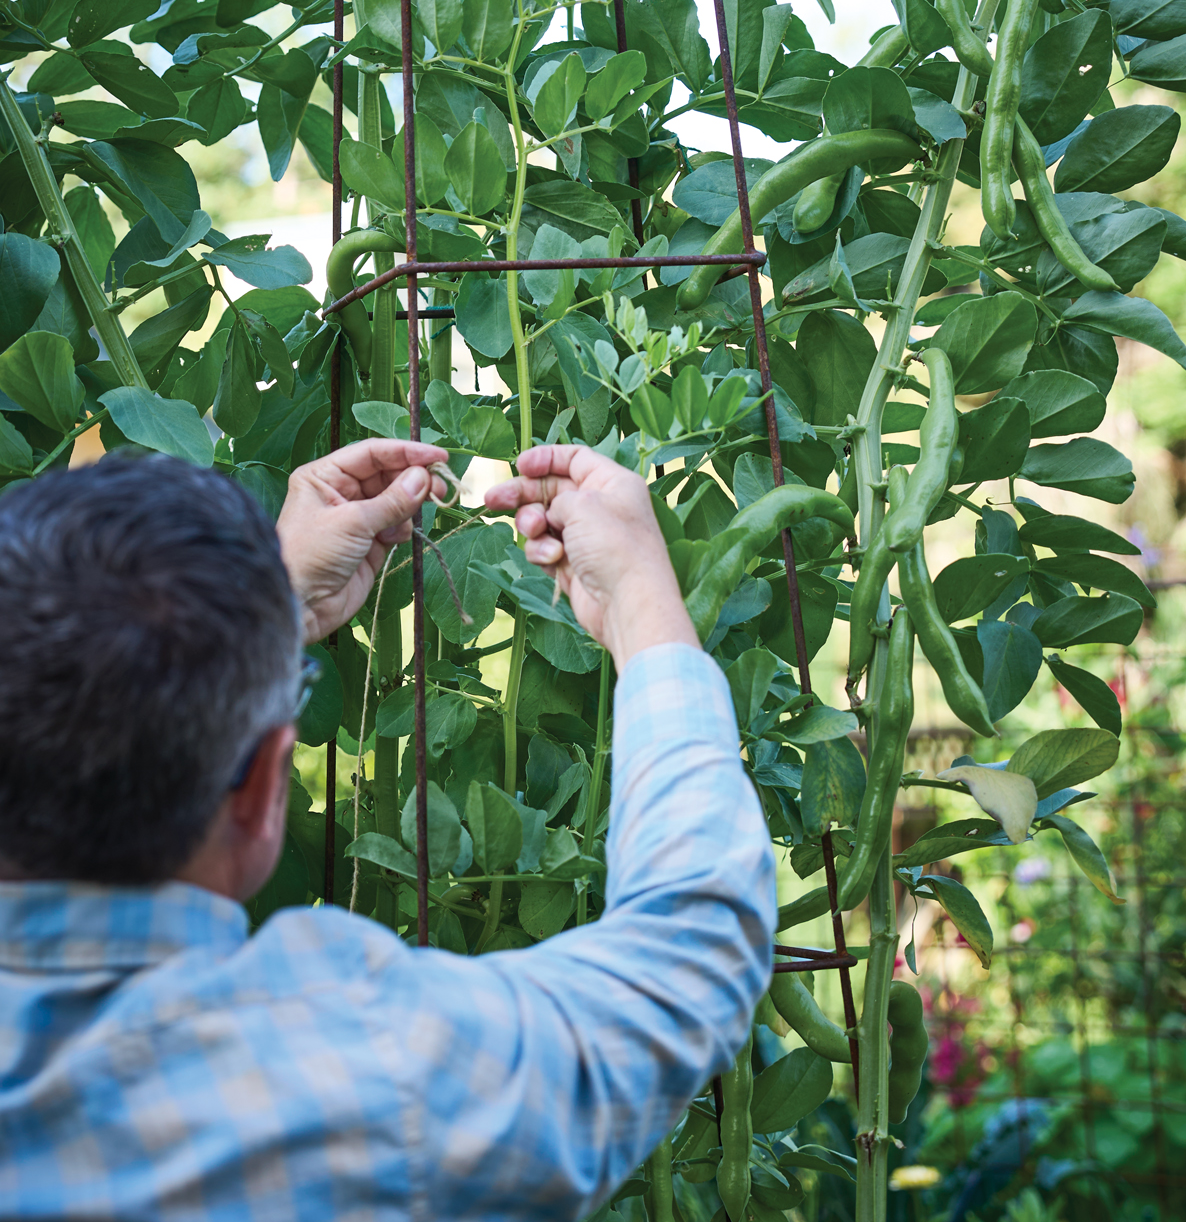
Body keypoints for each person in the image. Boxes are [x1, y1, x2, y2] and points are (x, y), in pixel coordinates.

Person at [0, 440, 774, 1219]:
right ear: (263, 783)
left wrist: (251, 628)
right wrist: (642, 601)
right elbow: (688, 958)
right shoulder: (358, 1071)